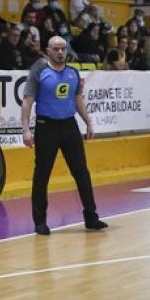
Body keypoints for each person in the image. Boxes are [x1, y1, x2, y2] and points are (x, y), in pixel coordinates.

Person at [20, 36, 107, 235]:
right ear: (48, 51)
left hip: (69, 127)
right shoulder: (39, 71)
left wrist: (88, 122)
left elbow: (78, 99)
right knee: (42, 174)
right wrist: (26, 129)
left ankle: (91, 218)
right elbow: (27, 101)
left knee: (81, 172)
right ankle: (40, 222)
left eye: (63, 49)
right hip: (46, 127)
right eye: (56, 49)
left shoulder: (73, 73)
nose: (60, 52)